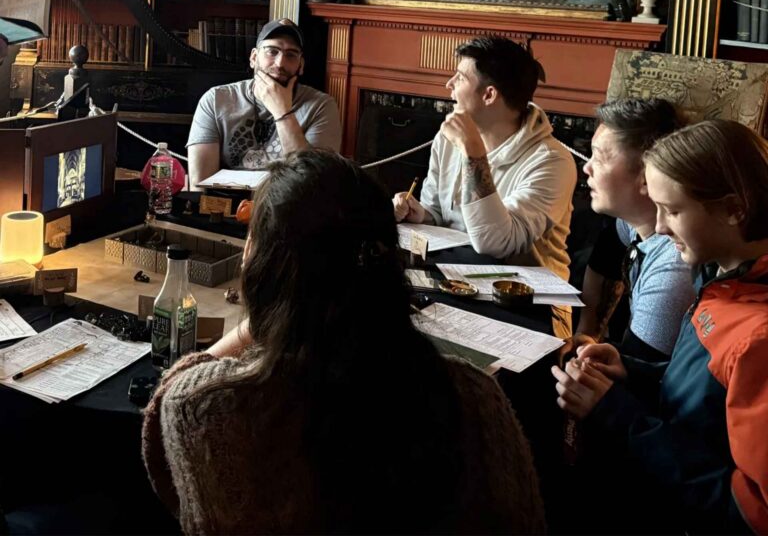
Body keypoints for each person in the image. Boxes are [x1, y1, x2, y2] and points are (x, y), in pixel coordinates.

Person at [142, 149, 545, 536]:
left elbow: (172, 398)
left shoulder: (204, 408)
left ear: (258, 264)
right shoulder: (476, 396)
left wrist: (263, 317)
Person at [552, 119, 768, 535]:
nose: (661, 227)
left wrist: (618, 413)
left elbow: (752, 513)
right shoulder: (722, 276)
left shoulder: (757, 338)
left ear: (733, 209)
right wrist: (631, 371)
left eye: (673, 210)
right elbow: (708, 394)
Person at [393, 36, 576, 335]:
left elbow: (495, 242)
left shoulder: (552, 161)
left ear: (489, 94)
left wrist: (473, 153)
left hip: (528, 306)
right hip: (456, 283)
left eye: (460, 77)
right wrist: (420, 214)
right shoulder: (447, 139)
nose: (449, 84)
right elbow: (437, 214)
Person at [572, 97, 694, 361]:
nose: (587, 167)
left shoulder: (672, 273)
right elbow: (607, 253)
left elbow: (639, 374)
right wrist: (588, 331)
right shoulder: (636, 222)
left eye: (600, 157)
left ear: (647, 175)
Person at [186, 18, 341, 189]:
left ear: (301, 65)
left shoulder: (321, 106)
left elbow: (314, 182)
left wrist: (282, 112)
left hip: (289, 202)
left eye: (291, 55)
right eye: (272, 51)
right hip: (227, 201)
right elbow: (200, 183)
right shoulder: (215, 100)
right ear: (254, 58)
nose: (280, 63)